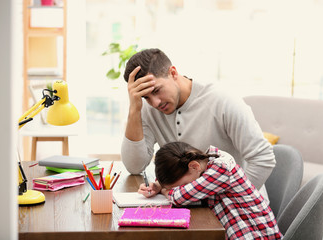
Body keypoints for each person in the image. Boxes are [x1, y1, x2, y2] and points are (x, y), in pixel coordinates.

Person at [121, 48, 276, 199]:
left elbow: (263, 158)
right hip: (191, 206)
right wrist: (134, 110)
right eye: (145, 97)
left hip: (238, 211)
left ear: (173, 73)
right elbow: (135, 167)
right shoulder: (149, 109)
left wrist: (229, 200)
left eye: (156, 91)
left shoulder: (222, 100)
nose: (155, 103)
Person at [154, 141, 283, 240]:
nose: (182, 188)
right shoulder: (203, 167)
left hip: (256, 235)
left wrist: (165, 191)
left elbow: (180, 197)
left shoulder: (221, 169)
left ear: (194, 166)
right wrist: (161, 185)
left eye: (184, 185)